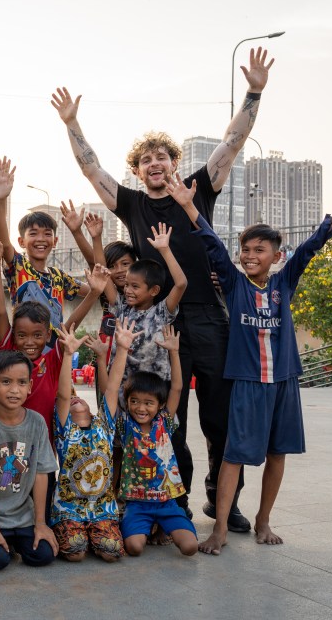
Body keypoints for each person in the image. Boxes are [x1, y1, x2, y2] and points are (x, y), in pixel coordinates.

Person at [52, 47, 276, 527]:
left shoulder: (196, 187)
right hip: (157, 322)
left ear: (175, 162)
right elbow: (91, 169)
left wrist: (254, 91)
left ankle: (223, 501)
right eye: (146, 159)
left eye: (163, 156)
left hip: (208, 316)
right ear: (137, 170)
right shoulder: (131, 204)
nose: (155, 164)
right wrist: (73, 122)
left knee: (217, 416)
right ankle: (170, 499)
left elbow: (232, 144)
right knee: (162, 416)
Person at [166, 177, 332, 555]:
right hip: (248, 383)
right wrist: (189, 206)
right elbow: (212, 244)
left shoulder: (284, 284)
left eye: (260, 250)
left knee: (277, 453)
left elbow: (312, 247)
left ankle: (264, 520)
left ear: (276, 256)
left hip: (284, 382)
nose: (250, 255)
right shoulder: (234, 285)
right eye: (246, 250)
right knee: (234, 456)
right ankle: (219, 529)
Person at [0, 238, 108, 437]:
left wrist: (94, 293)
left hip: (43, 450)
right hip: (6, 444)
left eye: (37, 335)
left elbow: (68, 327)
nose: (29, 342)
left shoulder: (52, 361)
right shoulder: (8, 352)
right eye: (21, 335)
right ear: (13, 335)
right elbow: (0, 312)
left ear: (47, 336)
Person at [107, 321, 198, 557]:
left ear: (159, 406)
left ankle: (163, 527)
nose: (140, 408)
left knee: (190, 547)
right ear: (127, 402)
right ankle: (146, 528)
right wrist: (122, 349)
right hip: (136, 505)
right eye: (135, 401)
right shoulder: (125, 424)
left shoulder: (164, 423)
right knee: (135, 548)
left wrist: (174, 353)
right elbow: (112, 387)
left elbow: (177, 388)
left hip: (168, 503)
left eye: (148, 403)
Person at [0, 350, 59, 572]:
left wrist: (40, 522)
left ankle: (16, 541)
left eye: (21, 382)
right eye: (6, 382)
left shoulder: (36, 422)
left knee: (44, 554)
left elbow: (40, 473)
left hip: (22, 514)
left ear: (29, 386)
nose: (14, 390)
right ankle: (0, 541)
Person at [0, 157, 90, 338]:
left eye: (47, 233)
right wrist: (0, 200)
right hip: (24, 351)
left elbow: (94, 290)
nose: (41, 239)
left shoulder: (59, 277)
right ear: (21, 242)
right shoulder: (19, 266)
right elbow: (4, 242)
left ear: (55, 240)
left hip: (52, 353)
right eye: (33, 233)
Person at [50, 324, 125, 562]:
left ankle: (95, 532)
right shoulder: (65, 430)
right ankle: (78, 532)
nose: (74, 399)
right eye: (71, 401)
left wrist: (121, 348)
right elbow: (62, 394)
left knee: (111, 553)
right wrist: (69, 354)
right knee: (76, 553)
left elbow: (112, 389)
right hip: (69, 508)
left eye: (78, 397)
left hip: (102, 507)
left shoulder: (105, 425)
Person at [110, 223, 187, 390]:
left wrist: (165, 250)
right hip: (123, 388)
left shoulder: (161, 312)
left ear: (154, 290)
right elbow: (101, 276)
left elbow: (181, 284)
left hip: (153, 391)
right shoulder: (121, 308)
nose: (128, 290)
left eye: (135, 286)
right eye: (127, 285)